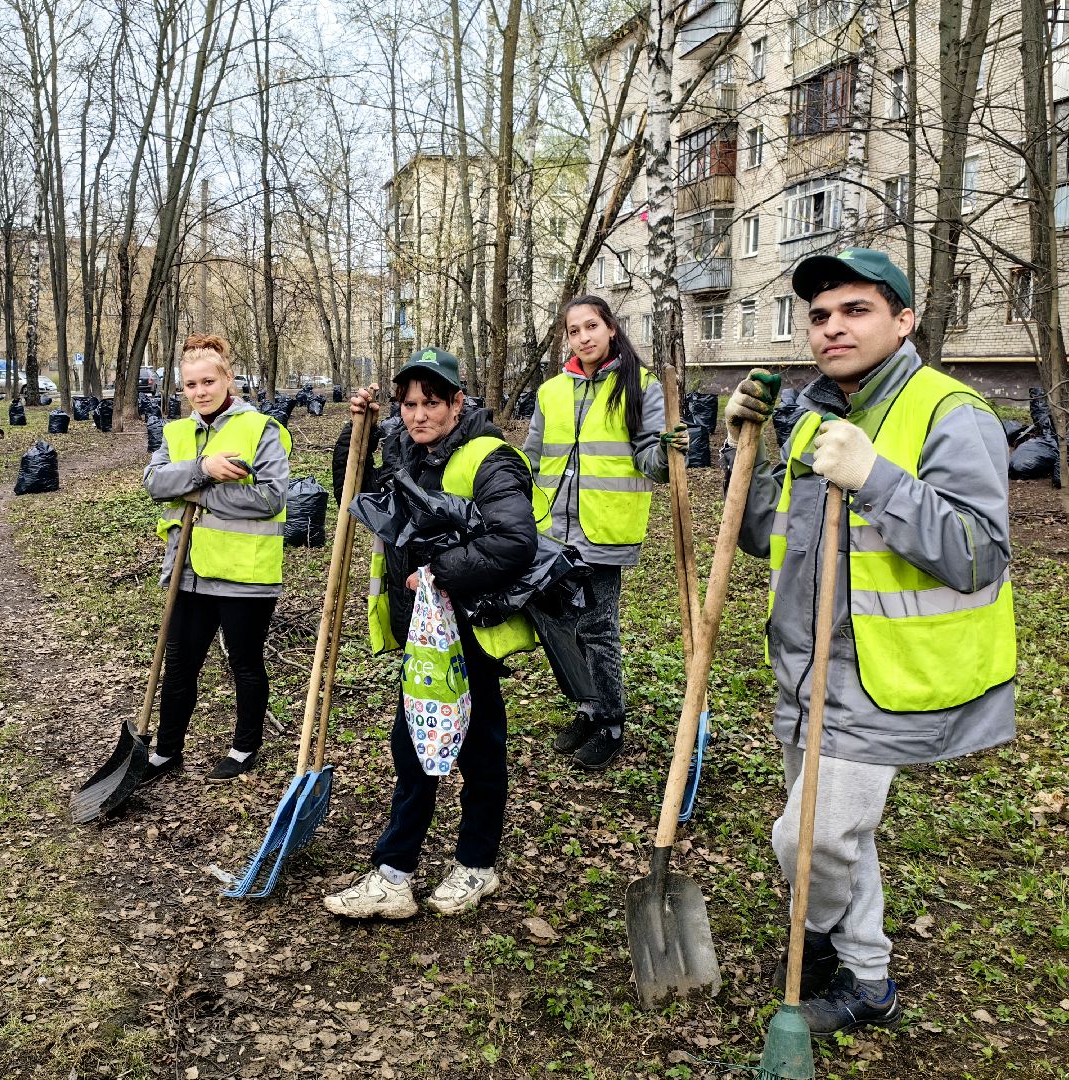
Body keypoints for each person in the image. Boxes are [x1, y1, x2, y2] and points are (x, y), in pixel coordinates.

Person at [724, 249, 1015, 1036]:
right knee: (842, 836)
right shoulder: (815, 417)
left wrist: (877, 477)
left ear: (904, 320)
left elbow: (979, 552)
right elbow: (766, 534)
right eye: (820, 315)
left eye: (856, 310)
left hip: (885, 675)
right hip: (806, 667)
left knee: (811, 838)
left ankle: (816, 933)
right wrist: (746, 450)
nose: (833, 328)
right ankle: (869, 978)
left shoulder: (951, 410)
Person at [323, 348, 538, 919]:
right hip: (424, 633)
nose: (419, 415)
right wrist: (358, 432)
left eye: (432, 403)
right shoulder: (405, 449)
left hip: (471, 630)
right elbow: (357, 491)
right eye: (409, 404)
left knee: (479, 749)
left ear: (457, 403)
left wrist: (440, 572)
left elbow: (515, 540)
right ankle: (395, 875)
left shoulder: (491, 458)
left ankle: (476, 865)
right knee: (412, 746)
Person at [523, 295, 685, 769]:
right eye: (574, 331)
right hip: (551, 530)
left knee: (597, 629)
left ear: (611, 328)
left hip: (604, 530)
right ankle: (588, 707)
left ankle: (611, 722)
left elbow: (652, 463)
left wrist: (669, 450)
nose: (583, 337)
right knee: (563, 626)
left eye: (591, 326)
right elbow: (532, 456)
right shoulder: (552, 391)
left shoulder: (641, 386)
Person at [142, 334, 291, 782]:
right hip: (187, 570)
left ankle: (244, 747)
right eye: (191, 384)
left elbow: (270, 498)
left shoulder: (261, 429)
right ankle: (167, 751)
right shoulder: (177, 433)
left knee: (244, 663)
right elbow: (153, 482)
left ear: (228, 377)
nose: (200, 391)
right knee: (180, 664)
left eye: (208, 381)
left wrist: (199, 493)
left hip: (245, 573)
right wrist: (203, 469)